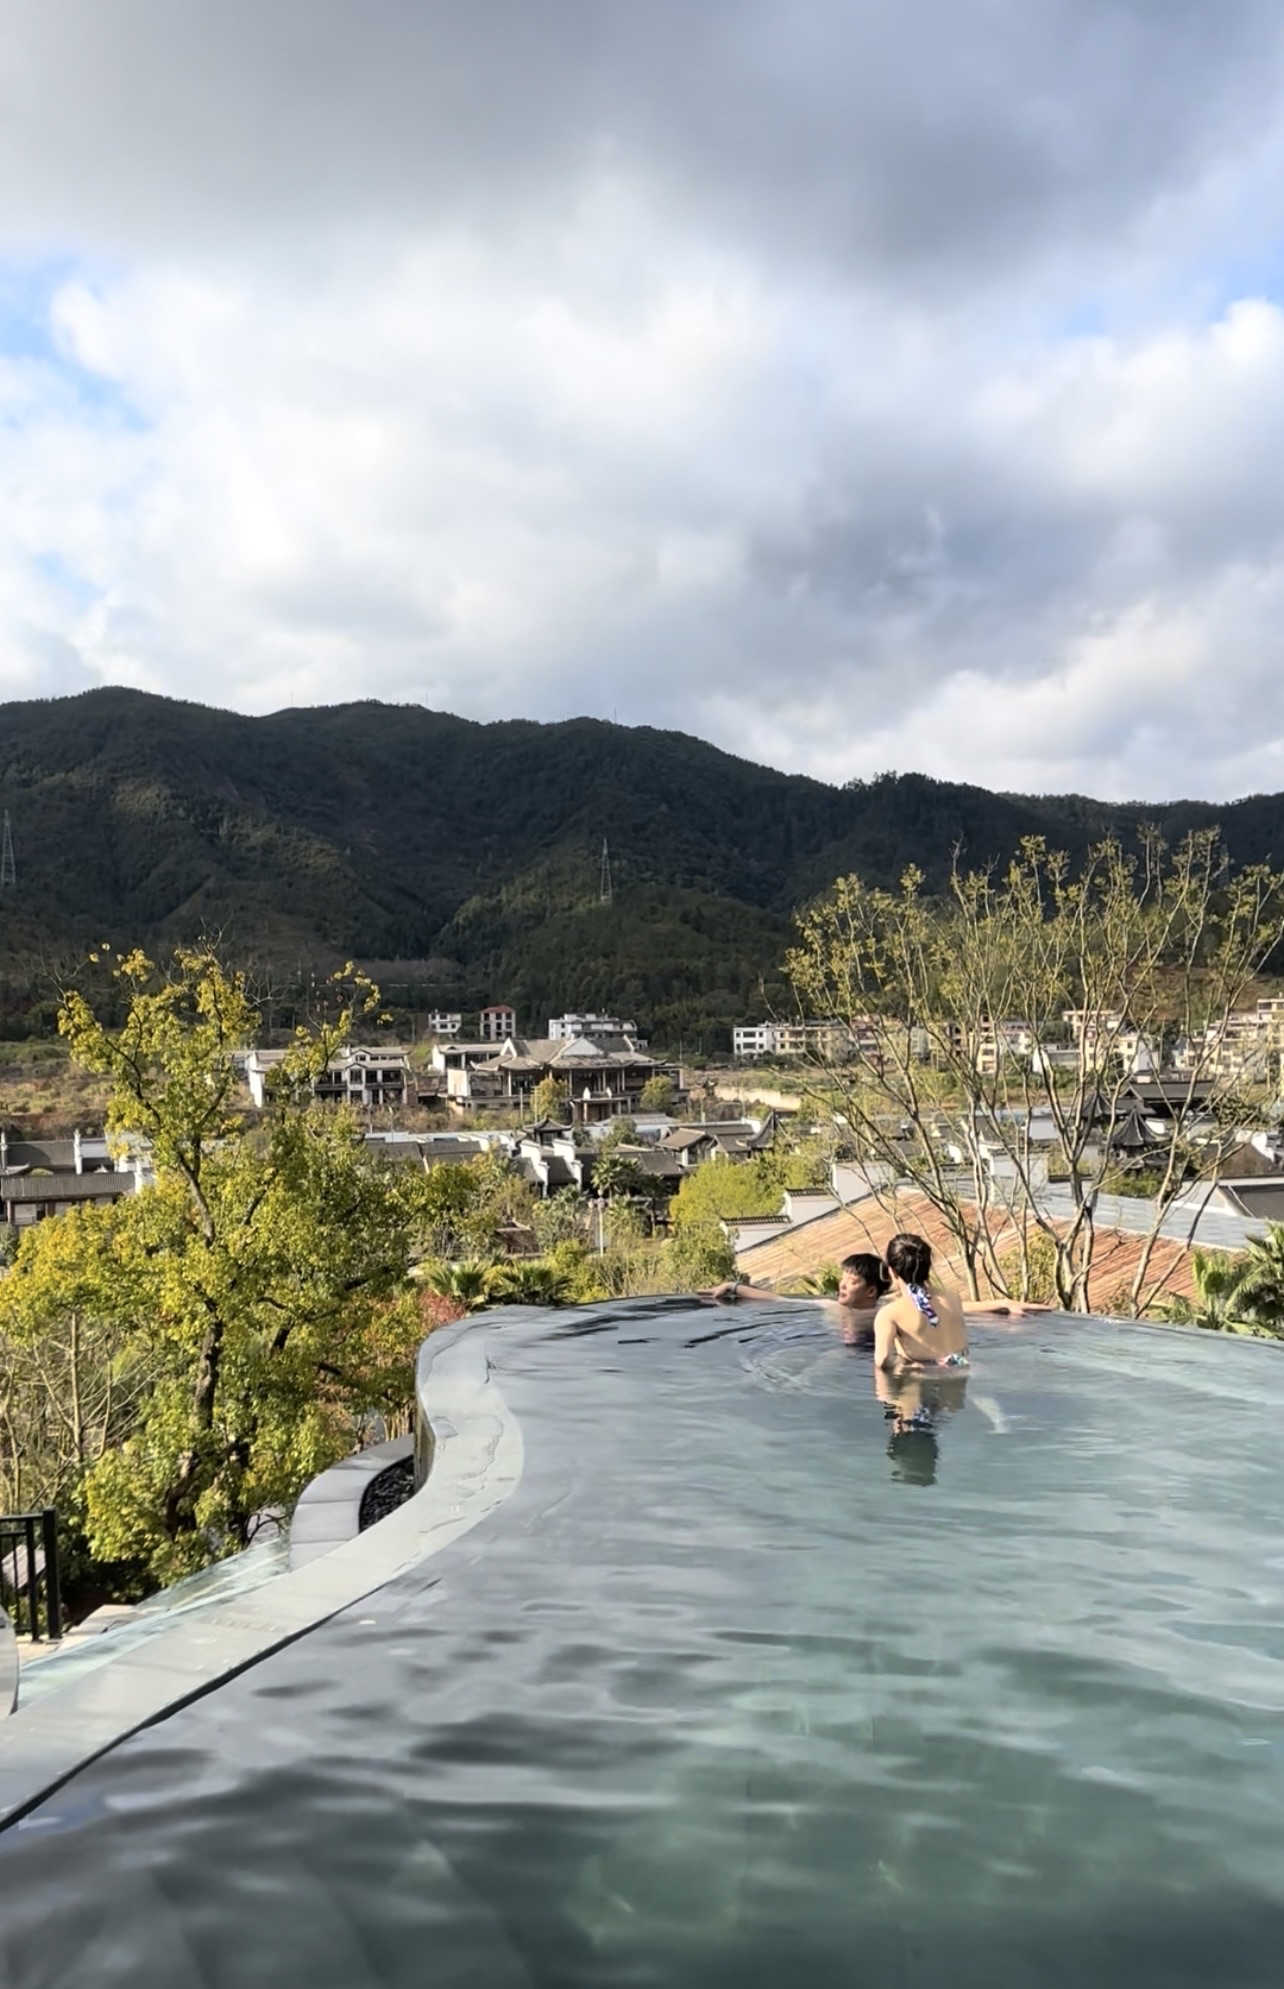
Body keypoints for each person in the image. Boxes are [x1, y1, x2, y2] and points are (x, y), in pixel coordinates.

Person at [705, 1253, 890, 1344]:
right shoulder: (830, 1306)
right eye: (843, 1279)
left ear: (871, 1292)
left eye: (852, 1282)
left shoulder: (885, 1314)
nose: (842, 1285)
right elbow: (777, 1299)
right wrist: (733, 1286)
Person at [874, 1231, 970, 1371]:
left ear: (892, 1271)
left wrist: (904, 1366)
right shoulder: (952, 1298)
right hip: (960, 1369)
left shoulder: (889, 1314)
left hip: (921, 1379)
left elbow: (882, 1360)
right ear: (928, 1266)